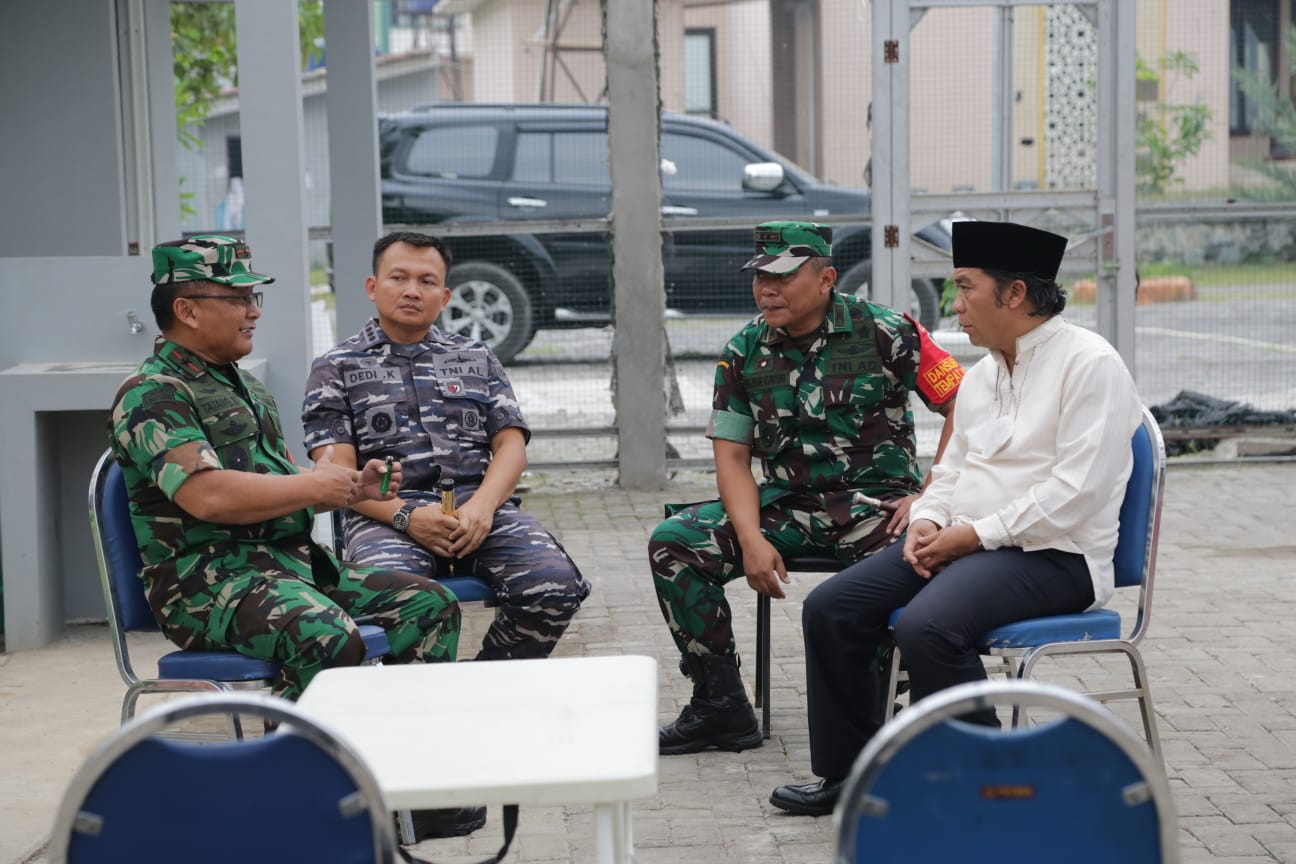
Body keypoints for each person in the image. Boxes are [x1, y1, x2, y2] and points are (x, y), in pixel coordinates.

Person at [769, 220, 1144, 817]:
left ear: (1014, 294)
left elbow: (1076, 493)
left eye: (966, 287)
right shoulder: (986, 372)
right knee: (832, 607)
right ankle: (854, 775)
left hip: (1057, 556)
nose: (955, 305)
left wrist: (971, 536)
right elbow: (953, 468)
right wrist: (928, 516)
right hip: (967, 542)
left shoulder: (1090, 364)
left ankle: (993, 786)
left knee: (928, 626)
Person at [649, 220, 963, 755]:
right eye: (759, 278)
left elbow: (965, 405)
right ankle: (720, 706)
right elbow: (732, 456)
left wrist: (931, 494)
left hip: (878, 508)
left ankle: (881, 712)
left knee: (920, 558)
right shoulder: (744, 351)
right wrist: (749, 538)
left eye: (783, 277)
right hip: (788, 509)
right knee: (675, 541)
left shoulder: (889, 331)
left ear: (825, 279)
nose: (767, 289)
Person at [109, 236, 463, 701]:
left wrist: (352, 488)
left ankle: (395, 746)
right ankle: (294, 763)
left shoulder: (247, 388)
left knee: (431, 604)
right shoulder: (152, 394)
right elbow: (208, 495)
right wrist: (316, 484)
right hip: (208, 587)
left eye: (252, 298)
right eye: (237, 298)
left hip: (290, 568)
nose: (253, 311)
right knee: (325, 634)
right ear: (187, 311)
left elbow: (274, 480)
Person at [302, 231, 591, 661]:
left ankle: (480, 690)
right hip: (386, 516)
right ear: (372, 287)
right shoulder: (335, 368)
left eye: (427, 281)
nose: (412, 291)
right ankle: (422, 707)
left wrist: (484, 508)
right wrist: (407, 516)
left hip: (479, 509)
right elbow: (335, 476)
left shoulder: (477, 357)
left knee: (552, 585)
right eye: (398, 278)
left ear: (445, 295)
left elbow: (511, 447)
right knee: (401, 603)